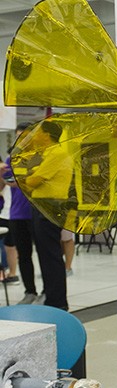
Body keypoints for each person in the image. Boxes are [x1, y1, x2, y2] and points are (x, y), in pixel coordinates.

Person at [13, 119, 71, 310]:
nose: (34, 135)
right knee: (46, 255)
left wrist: (26, 177)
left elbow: (33, 181)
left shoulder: (57, 152)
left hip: (49, 206)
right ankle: (52, 298)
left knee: (51, 256)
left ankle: (57, 302)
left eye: (37, 131)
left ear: (46, 134)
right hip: (43, 207)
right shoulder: (46, 153)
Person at [2, 126, 39, 303]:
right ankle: (30, 291)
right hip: (17, 214)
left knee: (45, 254)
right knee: (24, 254)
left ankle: (49, 290)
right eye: (17, 138)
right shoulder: (11, 159)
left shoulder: (39, 158)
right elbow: (4, 184)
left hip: (37, 213)